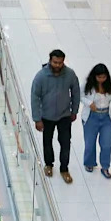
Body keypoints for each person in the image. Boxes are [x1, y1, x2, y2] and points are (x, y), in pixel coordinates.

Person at [31, 49, 80, 184]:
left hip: (64, 115)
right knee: (47, 141)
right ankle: (49, 164)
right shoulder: (41, 77)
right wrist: (37, 119)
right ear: (50, 61)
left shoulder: (70, 74)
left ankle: (64, 169)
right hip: (46, 116)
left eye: (60, 62)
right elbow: (35, 97)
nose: (57, 65)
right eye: (55, 62)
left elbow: (76, 92)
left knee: (65, 143)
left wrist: (74, 110)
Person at [80, 63, 111, 179]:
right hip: (91, 117)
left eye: (103, 77)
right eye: (99, 77)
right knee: (90, 142)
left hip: (106, 117)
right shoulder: (87, 83)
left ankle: (105, 166)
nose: (101, 80)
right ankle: (89, 162)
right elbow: (80, 95)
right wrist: (89, 103)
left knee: (107, 143)